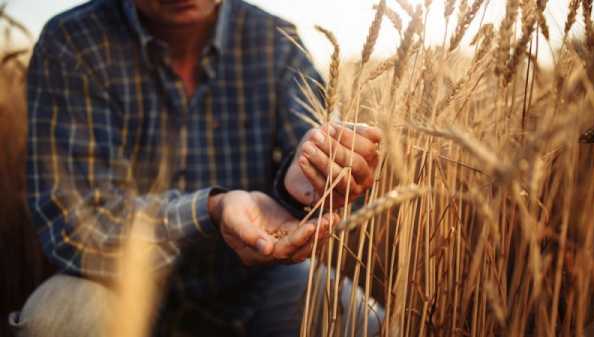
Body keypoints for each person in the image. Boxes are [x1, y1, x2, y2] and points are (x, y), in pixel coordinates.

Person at [9, 0, 383, 336]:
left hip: (254, 283)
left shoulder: (276, 41)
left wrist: (309, 182)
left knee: (363, 322)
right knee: (55, 322)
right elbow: (78, 225)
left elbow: (314, 154)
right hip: (113, 283)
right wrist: (211, 209)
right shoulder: (74, 41)